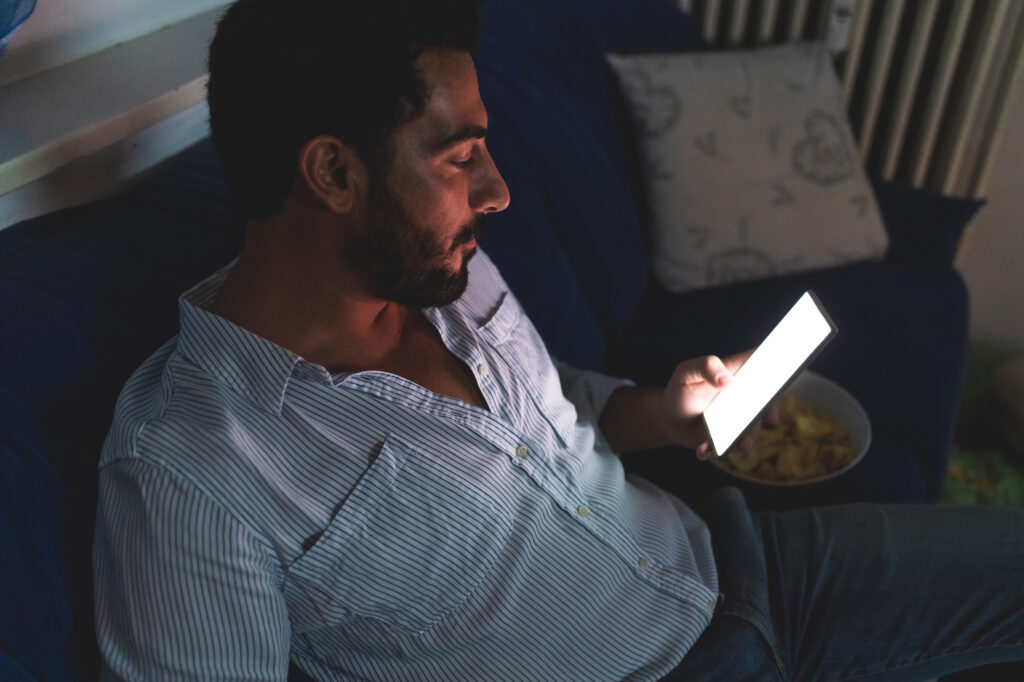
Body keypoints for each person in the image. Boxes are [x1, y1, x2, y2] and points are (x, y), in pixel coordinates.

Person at [92, 0, 1024, 680]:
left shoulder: (437, 268)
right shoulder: (192, 471)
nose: (497, 193)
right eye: (461, 157)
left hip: (741, 560)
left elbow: (551, 406)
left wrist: (660, 410)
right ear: (333, 170)